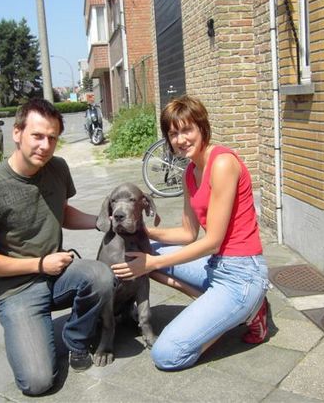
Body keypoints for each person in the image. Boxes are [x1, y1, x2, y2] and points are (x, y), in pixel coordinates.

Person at [0, 98, 114, 395]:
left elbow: (62, 212)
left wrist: (101, 223)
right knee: (37, 382)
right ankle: (25, 324)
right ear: (17, 133)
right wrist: (40, 264)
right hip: (17, 288)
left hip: (58, 275)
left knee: (101, 276)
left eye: (52, 138)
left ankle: (75, 339)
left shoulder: (57, 168)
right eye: (37, 136)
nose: (45, 146)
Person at [111, 95, 270, 371]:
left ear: (202, 127)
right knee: (144, 253)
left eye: (187, 130)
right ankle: (218, 307)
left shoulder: (222, 163)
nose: (181, 139)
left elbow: (213, 242)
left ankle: (247, 310)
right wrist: (144, 231)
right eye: (173, 134)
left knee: (166, 355)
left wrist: (153, 263)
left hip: (242, 273)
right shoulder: (190, 172)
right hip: (215, 266)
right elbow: (188, 233)